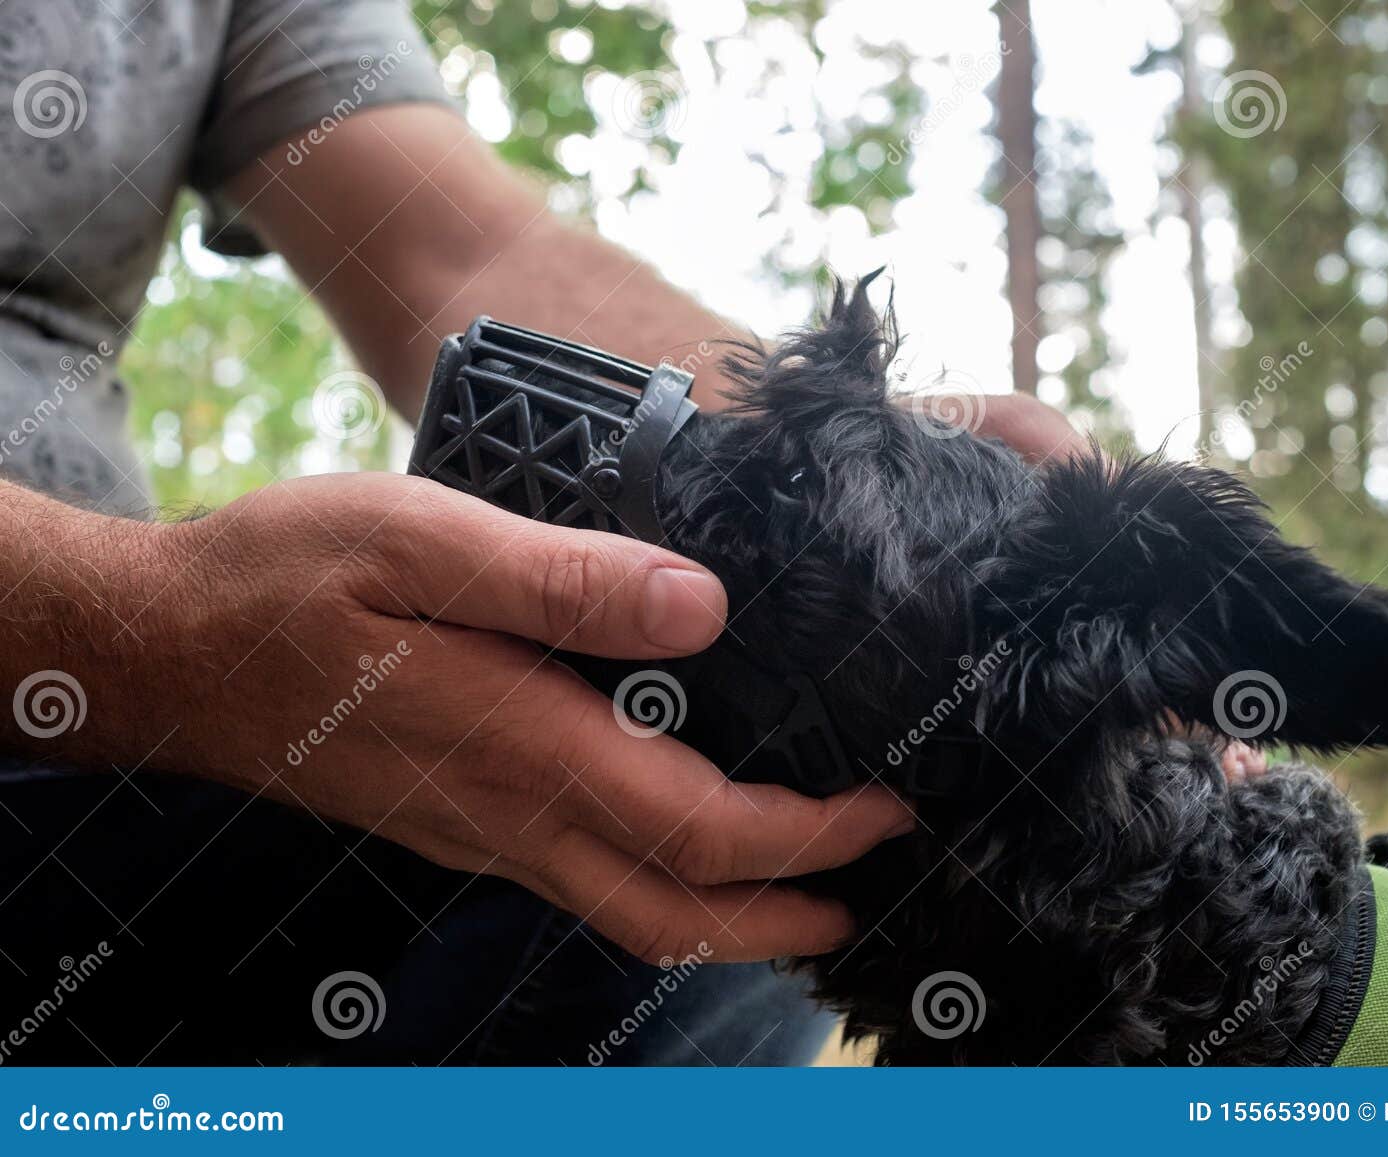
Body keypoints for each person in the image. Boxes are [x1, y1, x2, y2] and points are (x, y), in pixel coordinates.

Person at [0, 0, 1110, 1065]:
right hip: (73, 695)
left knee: (711, 809)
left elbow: (457, 249)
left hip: (115, 780)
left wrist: (834, 479)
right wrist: (152, 627)